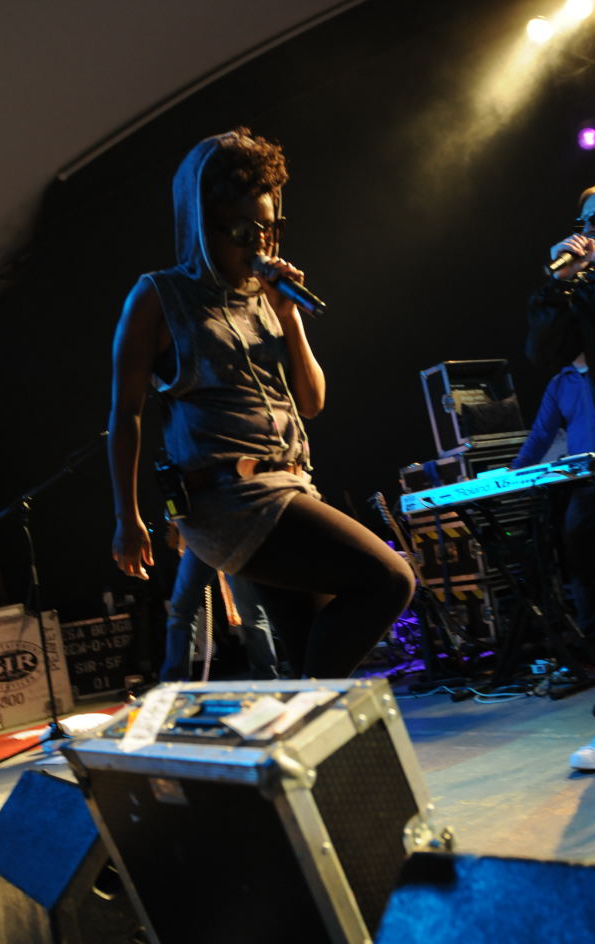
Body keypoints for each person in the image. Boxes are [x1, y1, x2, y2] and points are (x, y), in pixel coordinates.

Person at [108, 127, 414, 680]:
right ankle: (313, 708)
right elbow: (125, 414)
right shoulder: (159, 296)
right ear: (204, 226)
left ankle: (306, 721)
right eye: (244, 232)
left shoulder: (267, 299)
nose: (261, 245)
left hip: (291, 487)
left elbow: (312, 401)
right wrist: (127, 518)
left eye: (270, 229)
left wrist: (288, 314)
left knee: (311, 656)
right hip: (230, 501)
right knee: (389, 579)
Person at [527, 178, 595, 770]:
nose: (587, 232)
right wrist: (557, 283)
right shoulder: (584, 291)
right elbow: (544, 354)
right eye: (582, 221)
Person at [512, 353, 595, 643]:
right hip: (584, 483)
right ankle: (590, 635)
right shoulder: (560, 383)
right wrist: (514, 474)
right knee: (578, 555)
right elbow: (542, 433)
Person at [162, 540, 279, 681]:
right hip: (199, 543)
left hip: (233, 540)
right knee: (180, 611)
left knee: (251, 615)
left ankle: (266, 678)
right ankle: (173, 681)